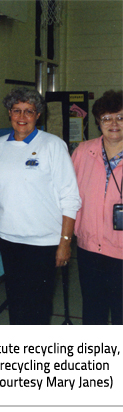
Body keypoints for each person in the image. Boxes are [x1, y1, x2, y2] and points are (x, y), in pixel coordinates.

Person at [0, 87, 81, 325]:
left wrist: (64, 243)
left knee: (38, 307)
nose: (22, 117)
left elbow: (70, 197)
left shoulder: (53, 145)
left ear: (38, 115)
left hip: (42, 242)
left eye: (29, 111)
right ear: (9, 113)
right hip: (7, 239)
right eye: (17, 110)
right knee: (16, 301)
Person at [71, 90, 123, 325]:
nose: (113, 123)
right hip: (89, 249)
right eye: (106, 118)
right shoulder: (83, 152)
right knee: (93, 311)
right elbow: (68, 197)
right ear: (97, 122)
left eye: (120, 117)